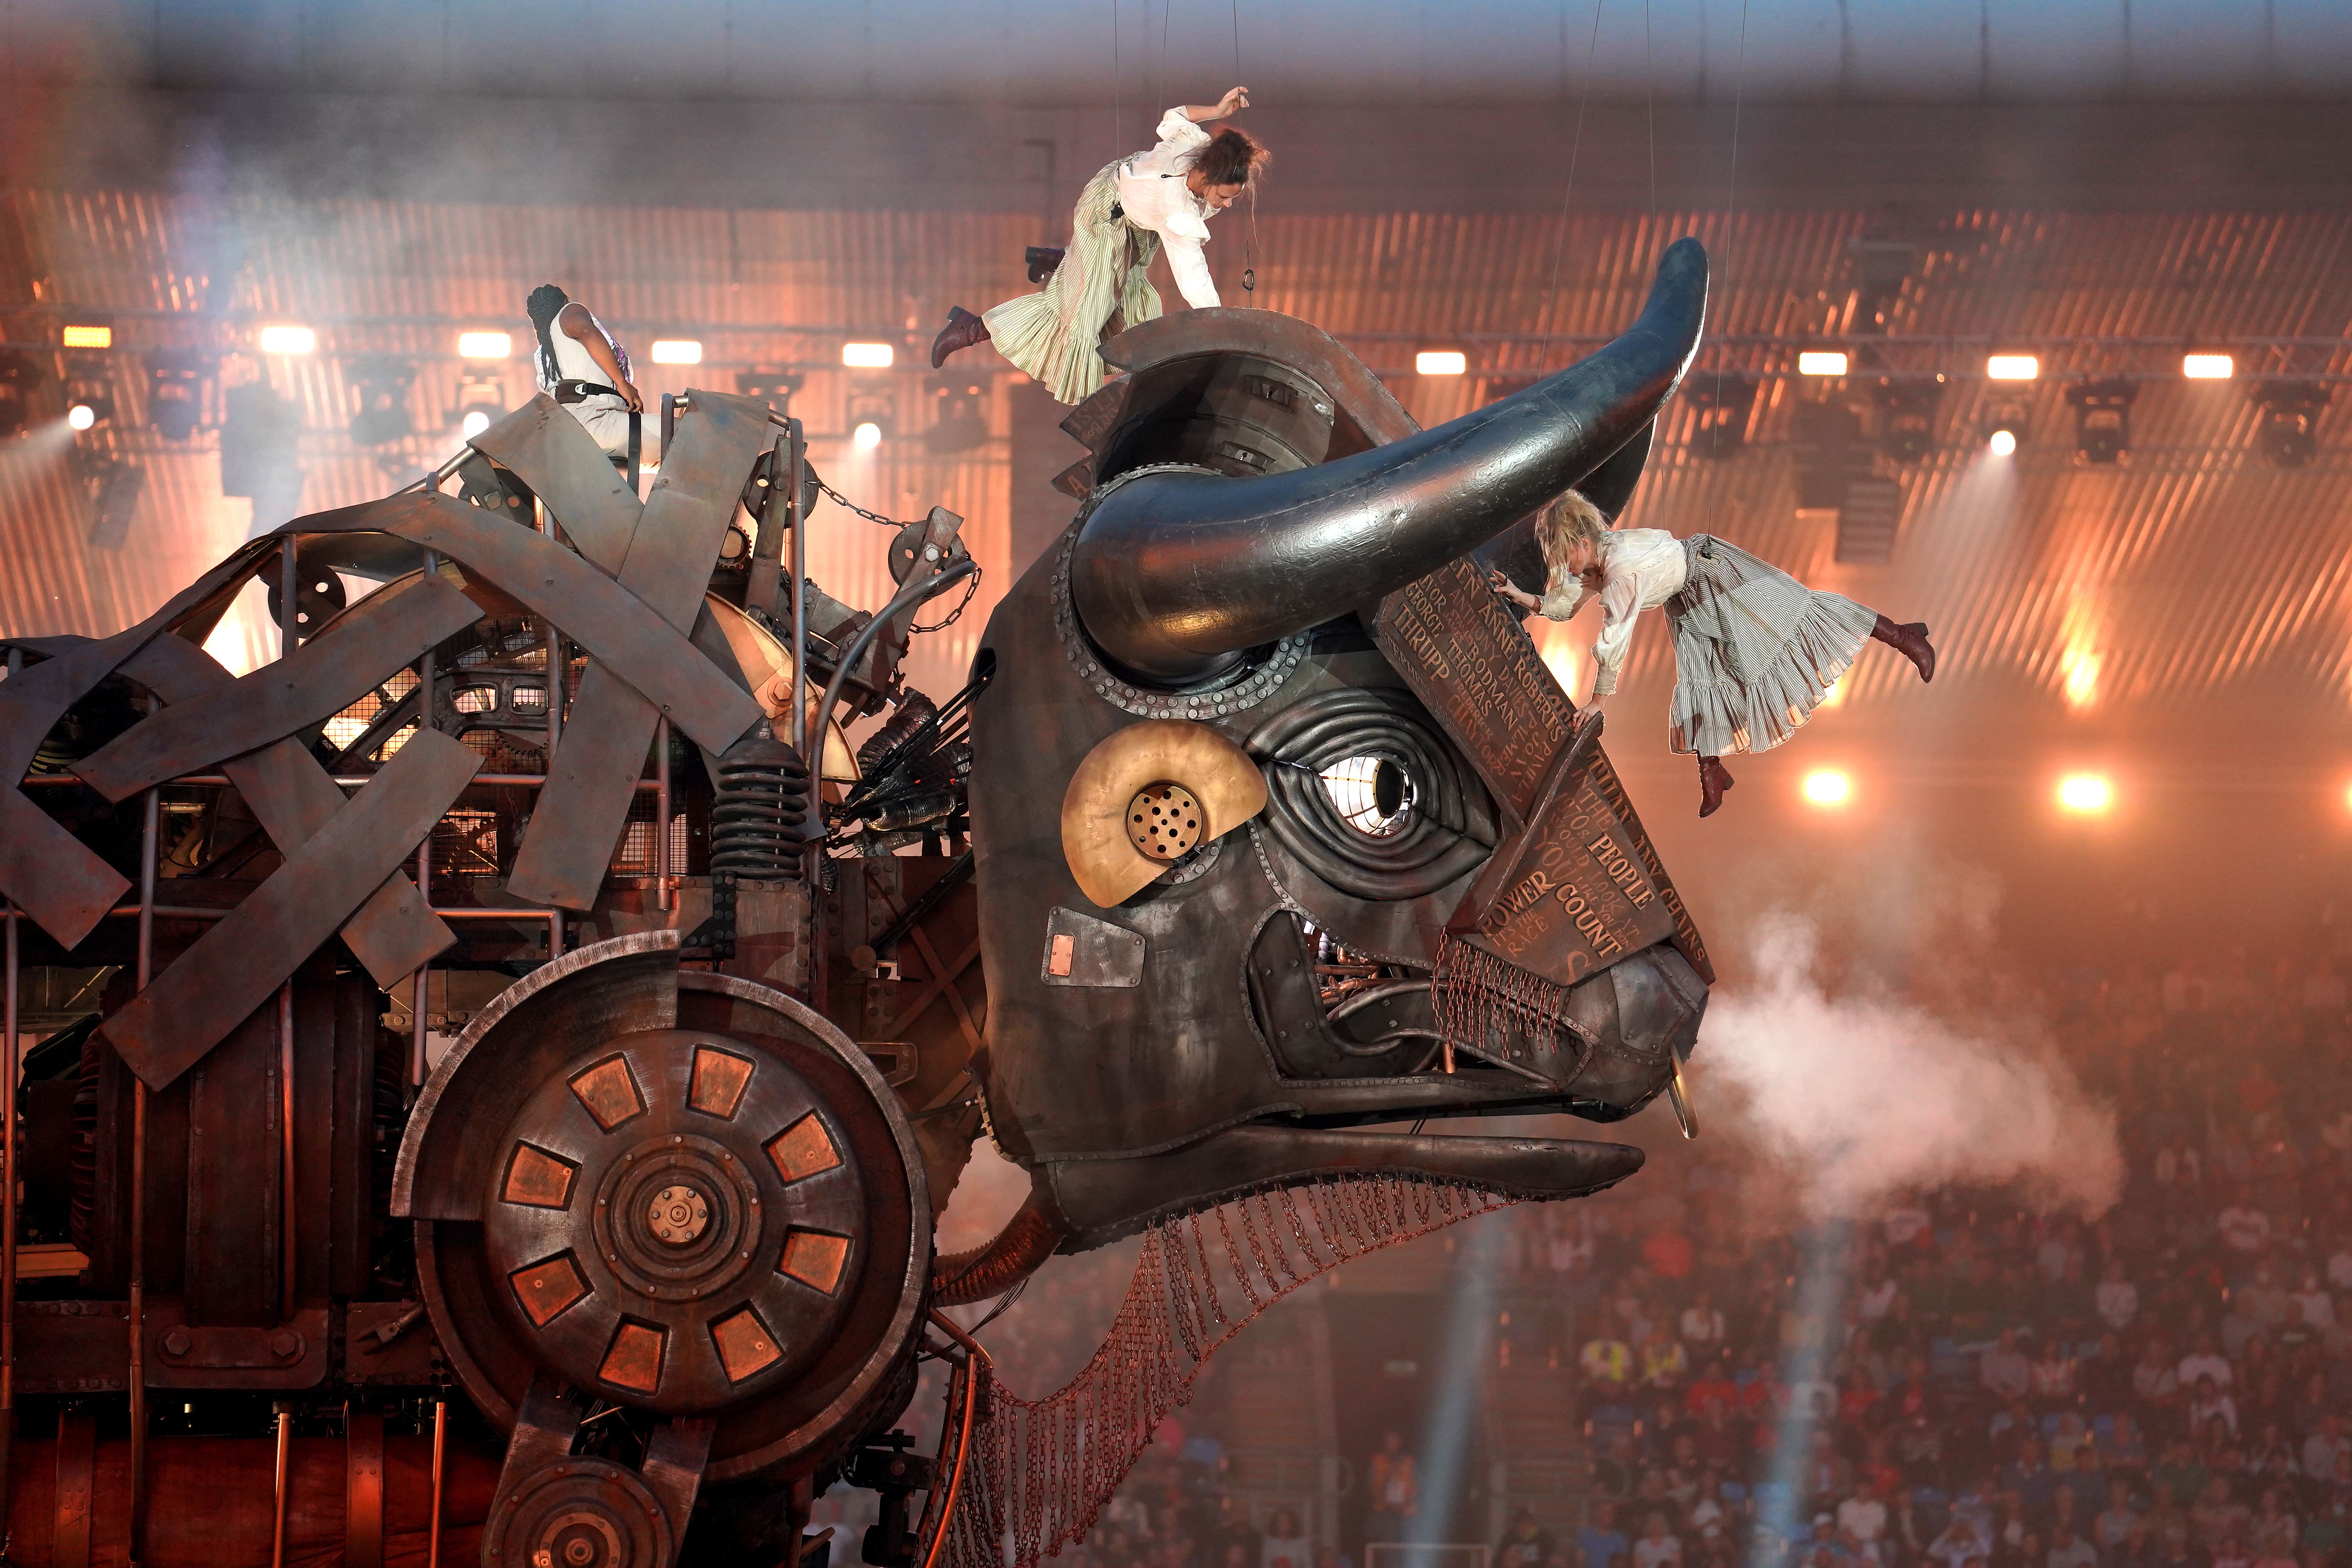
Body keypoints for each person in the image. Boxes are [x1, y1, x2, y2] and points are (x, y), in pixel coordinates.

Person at [1489, 490, 1935, 817]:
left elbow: (1615, 637)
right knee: (1702, 679)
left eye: (1561, 551)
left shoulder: (1620, 569)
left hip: (1711, 573)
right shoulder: (1598, 560)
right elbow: (1566, 602)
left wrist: (1599, 700)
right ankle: (1712, 772)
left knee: (1793, 616)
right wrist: (1519, 595)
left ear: (1581, 541)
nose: (1559, 562)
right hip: (1686, 598)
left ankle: (1903, 637)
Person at [932, 87, 1268, 403]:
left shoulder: (1196, 147)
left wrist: (1216, 110)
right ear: (1207, 177)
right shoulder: (1176, 209)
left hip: (1137, 222)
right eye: (1225, 197)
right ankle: (971, 327)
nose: (1225, 206)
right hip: (1106, 213)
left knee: (1137, 314)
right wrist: (1221, 323)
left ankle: (1064, 261)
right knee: (1081, 316)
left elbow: (1174, 115)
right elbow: (1192, 274)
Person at [525, 284, 646, 468]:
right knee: (685, 437)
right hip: (600, 423)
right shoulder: (569, 313)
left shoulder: (543, 356)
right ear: (564, 301)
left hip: (568, 436)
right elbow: (586, 331)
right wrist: (621, 382)